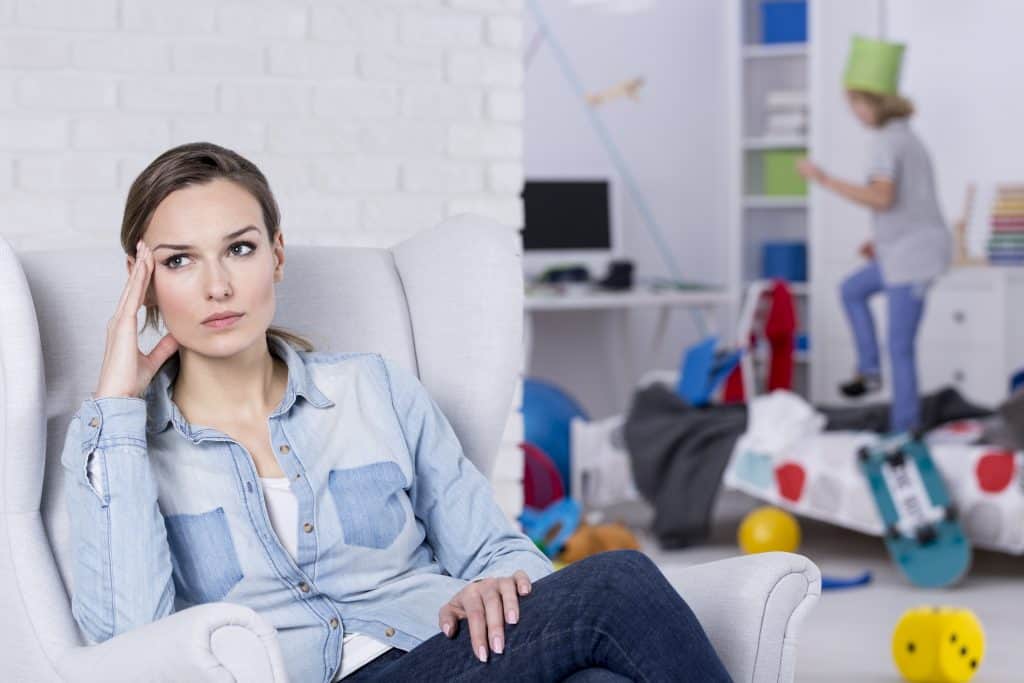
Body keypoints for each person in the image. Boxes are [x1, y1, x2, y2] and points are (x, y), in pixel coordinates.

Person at [61, 142, 732, 682]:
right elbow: (130, 641)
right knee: (619, 578)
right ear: (142, 280)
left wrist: (494, 587)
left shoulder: (373, 388)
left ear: (277, 255)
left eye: (239, 248)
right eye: (180, 260)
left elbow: (492, 546)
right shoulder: (120, 449)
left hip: (444, 649)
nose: (217, 285)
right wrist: (117, 407)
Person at [798, 35, 951, 434]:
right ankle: (868, 370)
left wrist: (824, 179)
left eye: (854, 102)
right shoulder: (905, 136)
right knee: (852, 289)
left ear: (871, 102)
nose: (852, 110)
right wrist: (881, 242)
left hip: (914, 257)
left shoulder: (887, 141)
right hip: (902, 249)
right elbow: (910, 202)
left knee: (900, 347)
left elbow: (882, 198)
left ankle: (904, 429)